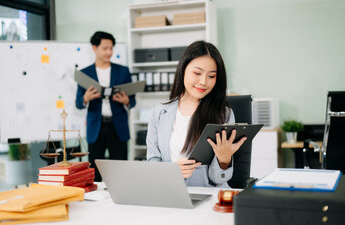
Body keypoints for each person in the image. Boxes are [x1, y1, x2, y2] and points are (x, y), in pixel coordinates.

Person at [146, 40, 246, 187]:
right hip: (171, 191)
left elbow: (219, 180)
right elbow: (153, 162)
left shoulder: (223, 114)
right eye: (197, 73)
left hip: (209, 194)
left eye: (211, 76)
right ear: (183, 69)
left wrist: (223, 160)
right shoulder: (159, 113)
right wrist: (171, 171)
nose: (203, 82)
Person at [76, 31, 136, 181]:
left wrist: (126, 101)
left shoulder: (123, 71)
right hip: (96, 127)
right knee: (95, 172)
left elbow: (133, 100)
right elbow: (78, 103)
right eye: (105, 48)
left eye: (111, 48)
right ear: (94, 48)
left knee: (120, 170)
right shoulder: (85, 74)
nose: (109, 52)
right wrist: (85, 98)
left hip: (118, 127)